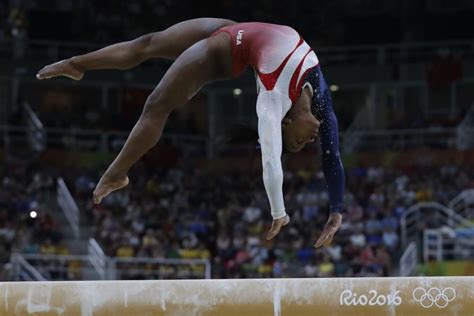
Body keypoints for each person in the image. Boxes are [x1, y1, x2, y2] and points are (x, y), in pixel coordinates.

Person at [36, 18, 344, 248]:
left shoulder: (270, 103)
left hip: (226, 52)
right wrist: (326, 210)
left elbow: (276, 159)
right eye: (302, 141)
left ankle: (117, 173)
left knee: (156, 104)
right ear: (285, 124)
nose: (312, 140)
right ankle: (77, 64)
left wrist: (314, 211)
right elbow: (323, 156)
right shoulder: (319, 103)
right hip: (237, 31)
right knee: (146, 43)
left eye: (303, 143)